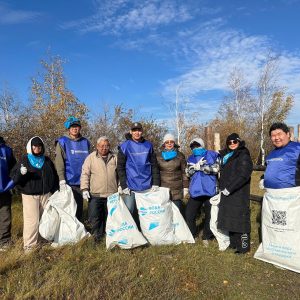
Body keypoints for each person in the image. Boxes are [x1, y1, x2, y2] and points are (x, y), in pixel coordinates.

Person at [10, 136, 58, 252]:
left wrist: (56, 190)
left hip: (45, 194)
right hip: (30, 195)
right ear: (30, 147)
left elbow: (54, 176)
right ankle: (30, 246)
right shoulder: (25, 160)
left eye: (39, 146)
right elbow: (14, 176)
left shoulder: (46, 160)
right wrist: (21, 174)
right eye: (35, 146)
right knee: (32, 221)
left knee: (45, 219)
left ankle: (43, 241)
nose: (37, 148)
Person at [218, 133, 253, 254]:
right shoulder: (227, 156)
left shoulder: (243, 155)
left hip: (238, 192)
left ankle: (243, 247)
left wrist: (230, 188)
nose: (232, 144)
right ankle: (234, 243)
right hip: (227, 192)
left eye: (234, 142)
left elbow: (244, 174)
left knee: (240, 219)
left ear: (239, 142)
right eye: (229, 142)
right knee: (231, 219)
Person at [117, 122, 160, 217]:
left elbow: (154, 165)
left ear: (142, 131)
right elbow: (120, 167)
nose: (137, 132)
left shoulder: (148, 145)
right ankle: (131, 232)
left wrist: (156, 183)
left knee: (146, 213)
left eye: (139, 130)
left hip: (147, 186)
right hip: (130, 186)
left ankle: (144, 231)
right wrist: (123, 185)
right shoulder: (125, 146)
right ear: (131, 132)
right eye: (134, 130)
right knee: (129, 211)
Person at [80, 136, 118, 243]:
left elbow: (120, 173)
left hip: (112, 195)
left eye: (106, 146)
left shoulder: (115, 157)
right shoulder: (90, 158)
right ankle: (96, 238)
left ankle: (110, 238)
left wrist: (120, 187)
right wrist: (84, 189)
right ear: (97, 146)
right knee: (95, 218)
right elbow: (85, 174)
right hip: (95, 195)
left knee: (110, 218)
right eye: (102, 146)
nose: (104, 148)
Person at [185, 138, 219, 245]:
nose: (195, 148)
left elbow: (216, 169)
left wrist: (203, 167)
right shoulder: (190, 158)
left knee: (210, 215)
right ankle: (193, 234)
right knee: (189, 214)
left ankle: (207, 236)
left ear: (202, 145)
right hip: (196, 191)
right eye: (193, 147)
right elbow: (188, 173)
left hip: (210, 190)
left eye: (197, 146)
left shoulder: (212, 155)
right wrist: (194, 167)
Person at [55, 116, 90, 222]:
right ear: (69, 129)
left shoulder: (85, 142)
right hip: (69, 181)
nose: (75, 129)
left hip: (83, 181)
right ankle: (68, 230)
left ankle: (78, 230)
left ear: (80, 128)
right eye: (72, 127)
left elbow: (90, 161)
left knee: (79, 207)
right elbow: (59, 161)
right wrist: (61, 179)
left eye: (77, 126)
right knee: (69, 208)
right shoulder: (62, 141)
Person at [156, 133, 188, 215]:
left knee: (177, 213)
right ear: (164, 143)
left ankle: (179, 228)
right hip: (163, 189)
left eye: (171, 141)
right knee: (165, 214)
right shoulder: (158, 156)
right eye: (167, 142)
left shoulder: (180, 155)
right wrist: (155, 185)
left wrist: (185, 187)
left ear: (174, 143)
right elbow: (155, 172)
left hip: (177, 189)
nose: (169, 144)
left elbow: (184, 172)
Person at [262, 122, 300, 189]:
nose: (276, 138)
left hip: (292, 196)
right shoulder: (271, 154)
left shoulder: (297, 148)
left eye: (279, 134)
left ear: (288, 134)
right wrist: (263, 179)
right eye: (273, 136)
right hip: (270, 196)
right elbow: (270, 171)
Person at [0, 137, 16, 250]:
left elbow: (14, 169)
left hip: (4, 190)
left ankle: (4, 241)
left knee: (5, 216)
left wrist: (13, 184)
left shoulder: (7, 150)